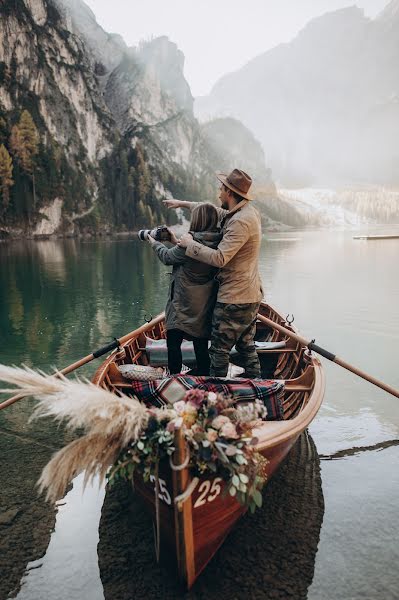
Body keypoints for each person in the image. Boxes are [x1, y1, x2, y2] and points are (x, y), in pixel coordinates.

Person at [164, 168, 263, 378]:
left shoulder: (240, 222)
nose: (218, 192)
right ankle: (258, 385)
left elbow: (220, 258)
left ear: (229, 191)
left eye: (221, 188)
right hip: (249, 294)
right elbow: (209, 210)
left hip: (233, 298)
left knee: (218, 351)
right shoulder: (242, 212)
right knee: (246, 346)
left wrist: (190, 244)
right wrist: (182, 203)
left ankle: (217, 394)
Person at [147, 203, 222, 375]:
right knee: (201, 345)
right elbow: (191, 256)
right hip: (204, 303)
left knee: (174, 343)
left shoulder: (191, 242)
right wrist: (174, 240)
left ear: (198, 220)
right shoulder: (219, 242)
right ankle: (204, 379)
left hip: (182, 302)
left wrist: (153, 242)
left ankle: (174, 379)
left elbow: (167, 257)